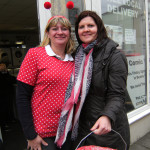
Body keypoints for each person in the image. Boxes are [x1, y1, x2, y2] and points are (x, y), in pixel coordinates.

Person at [69, 10, 130, 150]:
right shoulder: (78, 55)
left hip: (106, 128)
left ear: (99, 28)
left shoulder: (114, 55)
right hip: (82, 127)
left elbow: (117, 94)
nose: (86, 30)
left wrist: (107, 116)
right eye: (81, 27)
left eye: (90, 25)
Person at [16, 16, 75, 150]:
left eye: (64, 29)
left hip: (67, 132)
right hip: (42, 135)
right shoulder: (35, 54)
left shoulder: (73, 60)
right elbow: (21, 97)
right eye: (55, 29)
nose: (60, 32)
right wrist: (30, 134)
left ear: (69, 33)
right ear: (48, 33)